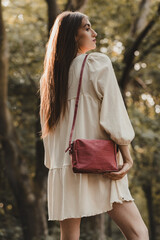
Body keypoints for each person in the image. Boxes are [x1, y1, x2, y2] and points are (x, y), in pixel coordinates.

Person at [39, 10, 149, 240]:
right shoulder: (96, 63)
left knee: (69, 237)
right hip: (99, 164)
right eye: (87, 28)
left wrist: (56, 166)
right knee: (138, 233)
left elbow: (48, 134)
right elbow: (113, 114)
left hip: (65, 167)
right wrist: (126, 156)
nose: (94, 33)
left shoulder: (50, 79)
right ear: (72, 36)